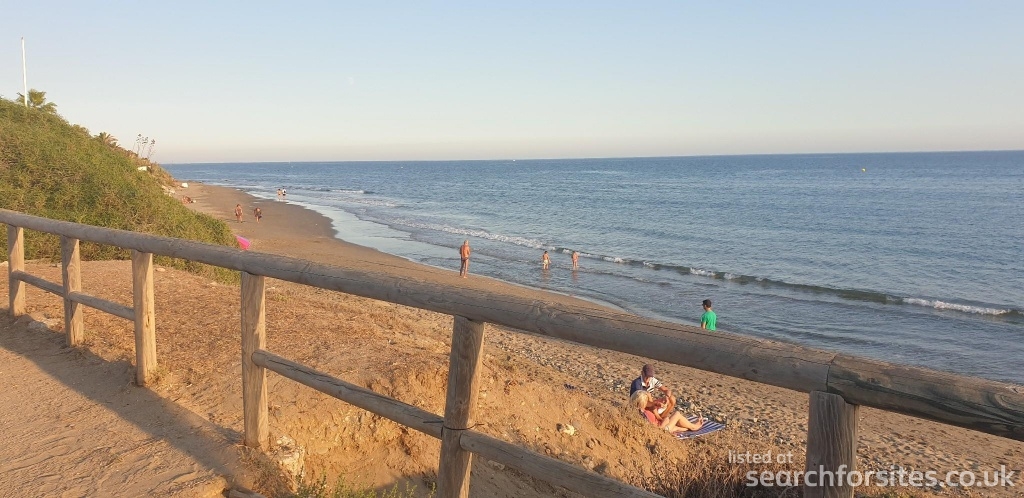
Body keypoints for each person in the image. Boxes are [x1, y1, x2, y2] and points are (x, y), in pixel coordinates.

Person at [632, 390, 704, 435]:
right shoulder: (645, 414)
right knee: (677, 414)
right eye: (647, 400)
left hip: (664, 427)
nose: (649, 401)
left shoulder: (638, 411)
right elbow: (657, 428)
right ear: (643, 402)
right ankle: (694, 427)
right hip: (664, 429)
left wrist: (654, 403)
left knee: (678, 427)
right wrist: (665, 420)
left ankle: (690, 426)